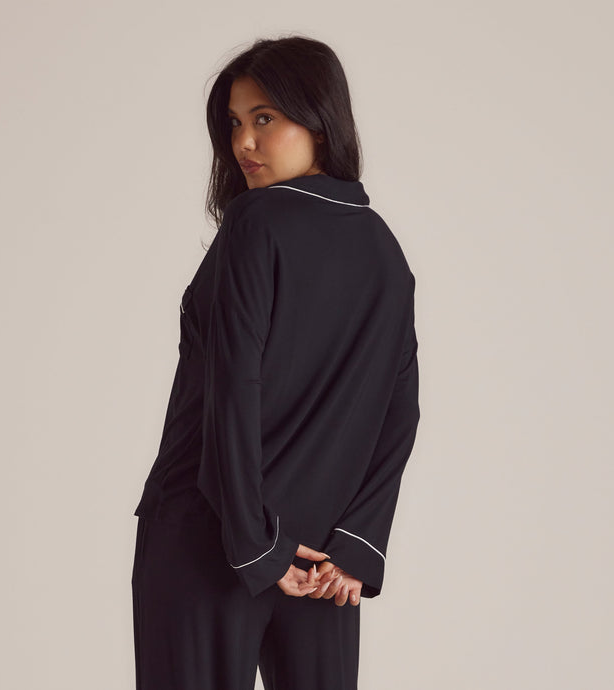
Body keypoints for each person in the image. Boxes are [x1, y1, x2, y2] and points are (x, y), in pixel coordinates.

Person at [131, 35, 420, 690]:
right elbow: (400, 411)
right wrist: (358, 545)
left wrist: (254, 543)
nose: (244, 143)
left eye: (265, 118)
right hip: (323, 559)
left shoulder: (255, 221)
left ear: (319, 118)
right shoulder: (385, 248)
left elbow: (236, 389)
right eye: (235, 123)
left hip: (210, 533)